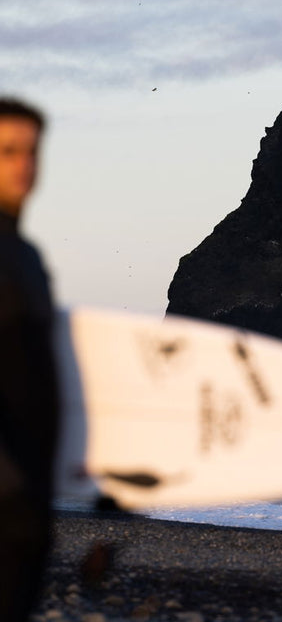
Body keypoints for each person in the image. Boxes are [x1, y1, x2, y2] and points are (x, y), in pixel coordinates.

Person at [0, 98, 60, 621]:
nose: (25, 165)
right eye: (8, 152)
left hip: (30, 503)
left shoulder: (27, 257)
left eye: (32, 151)